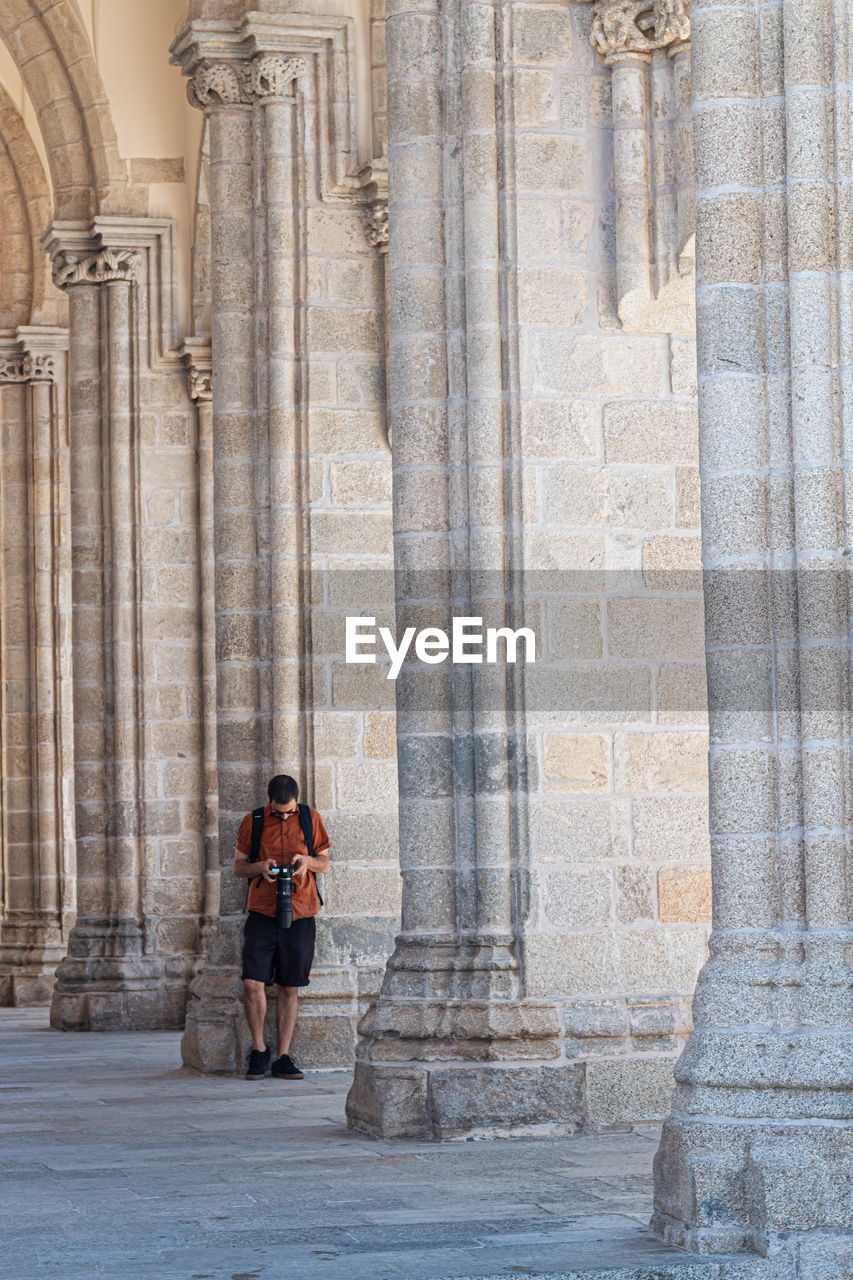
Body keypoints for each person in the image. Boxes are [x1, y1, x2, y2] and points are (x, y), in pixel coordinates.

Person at [232, 774, 330, 1081]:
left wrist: (306, 863)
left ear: (297, 798)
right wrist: (260, 867)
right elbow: (237, 867)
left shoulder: (310, 817)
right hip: (262, 912)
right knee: (252, 982)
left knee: (290, 987)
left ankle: (282, 1056)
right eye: (279, 811)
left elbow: (324, 862)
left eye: (289, 811)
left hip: (301, 913)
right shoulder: (254, 821)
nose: (285, 816)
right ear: (269, 800)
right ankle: (259, 1050)